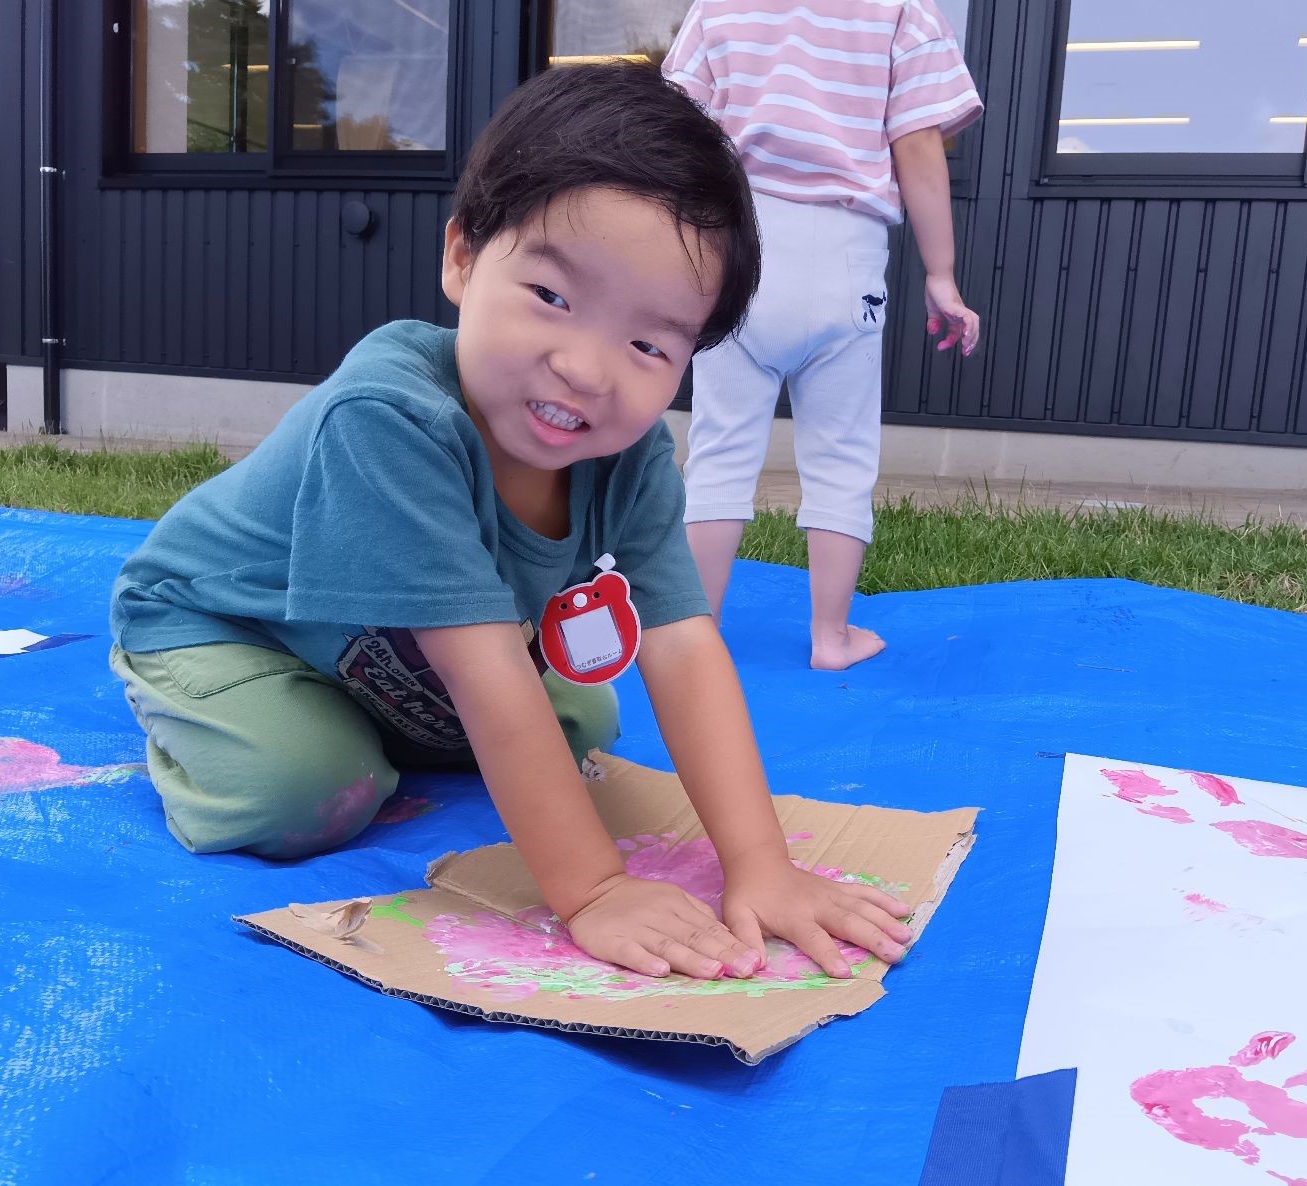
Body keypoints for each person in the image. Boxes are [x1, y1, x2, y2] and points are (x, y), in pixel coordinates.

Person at [107, 63, 911, 984]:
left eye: (649, 344)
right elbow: (488, 674)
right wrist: (595, 892)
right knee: (307, 791)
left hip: (394, 648)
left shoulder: (630, 454)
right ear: (462, 257)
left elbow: (683, 646)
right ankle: (198, 711)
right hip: (232, 628)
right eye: (553, 298)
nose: (586, 368)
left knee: (578, 715)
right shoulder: (391, 418)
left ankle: (371, 720)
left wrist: (763, 867)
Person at [664, 0, 984, 670]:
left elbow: (674, 131)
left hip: (741, 242)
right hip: (847, 256)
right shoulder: (900, 9)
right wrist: (943, 275)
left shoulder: (722, 5)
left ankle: (695, 636)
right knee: (841, 455)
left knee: (720, 450)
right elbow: (918, 144)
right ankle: (831, 637)